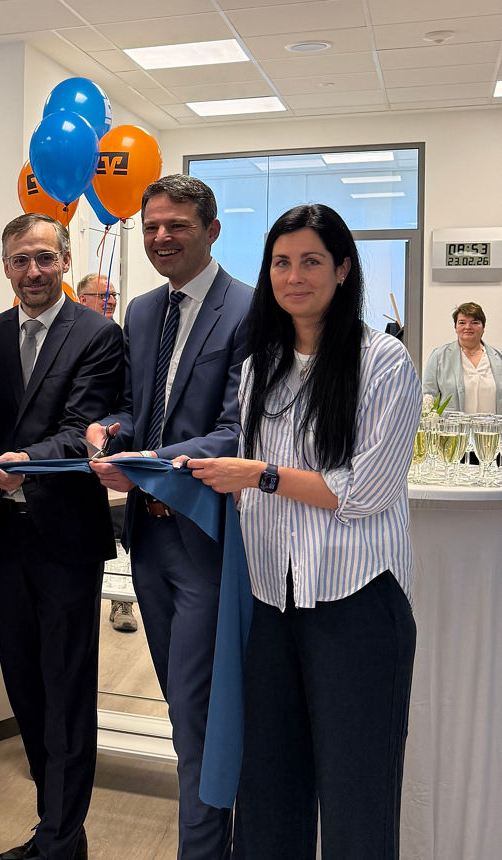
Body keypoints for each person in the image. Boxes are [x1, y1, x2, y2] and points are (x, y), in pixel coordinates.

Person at [186, 203, 421, 859]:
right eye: (281, 262)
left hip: (359, 606)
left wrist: (261, 475)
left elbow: (366, 492)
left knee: (357, 801)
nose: (294, 275)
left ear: (343, 270)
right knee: (269, 800)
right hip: (273, 605)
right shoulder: (262, 366)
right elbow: (237, 480)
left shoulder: (385, 363)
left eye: (311, 261)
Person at [88, 174, 253, 859]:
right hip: (147, 539)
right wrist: (108, 429)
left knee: (198, 716)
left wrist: (150, 461)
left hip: (205, 543)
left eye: (176, 225)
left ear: (211, 230)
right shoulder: (144, 311)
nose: (161, 237)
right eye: (152, 225)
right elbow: (138, 407)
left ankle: (204, 850)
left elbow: (237, 431)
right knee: (186, 710)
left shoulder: (250, 310)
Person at [0, 213, 124, 860]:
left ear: (63, 260)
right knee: (26, 688)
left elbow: (81, 424)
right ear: (5, 267)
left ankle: (60, 838)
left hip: (64, 537)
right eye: (19, 261)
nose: (32, 272)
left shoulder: (99, 335)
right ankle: (56, 828)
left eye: (43, 259)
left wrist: (19, 463)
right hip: (2, 537)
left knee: (67, 690)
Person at [75, 272, 140, 634]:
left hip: (118, 449)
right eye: (102, 294)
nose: (110, 300)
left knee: (118, 538)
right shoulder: (71, 338)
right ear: (81, 298)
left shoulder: (126, 339)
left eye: (113, 294)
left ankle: (121, 603)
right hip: (79, 454)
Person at [422, 301, 502, 414]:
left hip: (492, 430)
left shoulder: (499, 357)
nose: (468, 327)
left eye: (475, 322)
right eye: (462, 322)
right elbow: (428, 398)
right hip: (452, 430)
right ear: (455, 327)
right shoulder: (439, 357)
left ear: (483, 327)